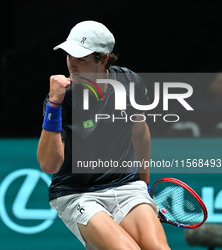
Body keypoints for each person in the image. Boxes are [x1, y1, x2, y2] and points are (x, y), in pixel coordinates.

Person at [37, 21, 170, 250]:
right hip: (78, 193)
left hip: (126, 186)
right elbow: (49, 165)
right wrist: (53, 105)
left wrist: (144, 183)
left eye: (82, 59)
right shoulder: (63, 97)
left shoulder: (129, 82)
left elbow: (140, 133)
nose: (72, 66)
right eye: (70, 56)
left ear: (104, 59)